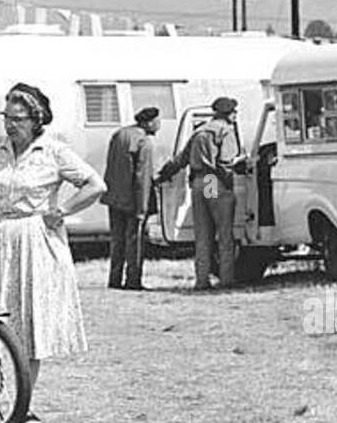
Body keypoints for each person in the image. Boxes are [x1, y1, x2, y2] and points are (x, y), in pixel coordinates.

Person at [0, 83, 106, 412]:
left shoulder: (53, 151)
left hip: (36, 238)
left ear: (36, 120)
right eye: (6, 117)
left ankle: (24, 401)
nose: (11, 125)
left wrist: (62, 211)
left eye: (19, 118)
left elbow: (95, 184)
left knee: (29, 321)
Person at [156, 96, 245, 290]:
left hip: (198, 182)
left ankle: (202, 280)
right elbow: (225, 163)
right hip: (213, 181)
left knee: (203, 235)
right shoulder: (225, 131)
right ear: (229, 113)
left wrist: (162, 175)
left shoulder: (199, 131)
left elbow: (180, 160)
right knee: (224, 233)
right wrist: (230, 184)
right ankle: (227, 279)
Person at [101, 106, 160, 290]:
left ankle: (114, 279)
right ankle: (133, 279)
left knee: (117, 239)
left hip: (114, 196)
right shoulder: (145, 142)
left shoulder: (119, 134)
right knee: (134, 241)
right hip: (133, 199)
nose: (159, 125)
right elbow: (143, 178)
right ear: (149, 122)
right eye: (158, 121)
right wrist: (142, 208)